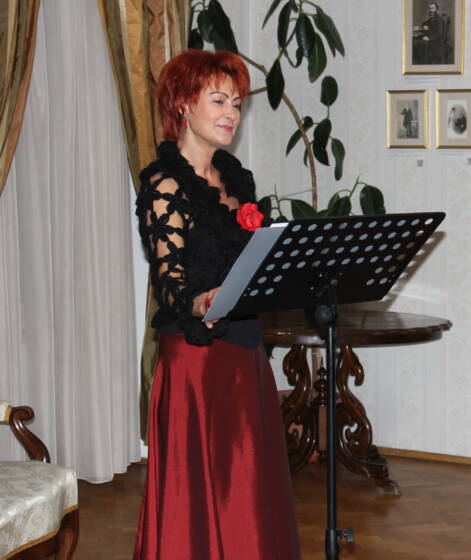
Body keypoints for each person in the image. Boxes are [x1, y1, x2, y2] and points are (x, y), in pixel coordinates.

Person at [134, 49, 300, 559]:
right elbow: (171, 285)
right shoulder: (164, 184)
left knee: (248, 487)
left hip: (245, 352)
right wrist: (202, 299)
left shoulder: (235, 177)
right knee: (200, 498)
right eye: (218, 100)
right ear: (184, 105)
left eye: (236, 103)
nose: (232, 113)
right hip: (197, 363)